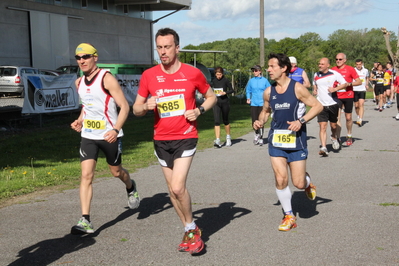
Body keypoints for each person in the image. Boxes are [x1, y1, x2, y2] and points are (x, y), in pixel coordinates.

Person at [133, 28, 216, 254]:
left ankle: (191, 228)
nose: (163, 52)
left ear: (177, 48)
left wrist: (199, 111)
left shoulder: (192, 73)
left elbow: (212, 97)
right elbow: (136, 108)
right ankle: (190, 230)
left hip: (186, 136)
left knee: (178, 187)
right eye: (159, 47)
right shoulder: (149, 75)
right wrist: (145, 107)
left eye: (167, 47)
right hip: (161, 139)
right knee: (172, 190)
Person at [70, 43, 140, 234]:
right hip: (89, 136)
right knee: (86, 175)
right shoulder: (79, 82)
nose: (82, 61)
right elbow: (88, 106)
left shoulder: (106, 79)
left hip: (109, 135)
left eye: (86, 57)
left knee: (116, 172)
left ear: (95, 57)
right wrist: (79, 120)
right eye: (78, 58)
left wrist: (116, 130)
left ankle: (131, 186)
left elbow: (124, 106)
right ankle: (85, 220)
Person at [253, 53, 322, 231]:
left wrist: (301, 121)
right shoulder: (269, 91)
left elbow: (317, 106)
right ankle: (289, 215)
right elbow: (266, 111)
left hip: (296, 140)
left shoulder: (298, 88)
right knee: (281, 178)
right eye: (268, 67)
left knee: (297, 183)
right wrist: (261, 120)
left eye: (272, 66)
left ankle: (308, 182)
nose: (268, 69)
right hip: (276, 140)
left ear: (283, 68)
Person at [313, 58, 349, 156]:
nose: (320, 65)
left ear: (328, 65)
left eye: (322, 64)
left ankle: (334, 137)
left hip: (332, 103)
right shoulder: (316, 75)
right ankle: (324, 147)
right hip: (321, 104)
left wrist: (335, 89)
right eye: (319, 64)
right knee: (322, 126)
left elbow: (345, 83)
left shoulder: (334, 74)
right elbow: (315, 84)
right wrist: (315, 90)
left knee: (333, 126)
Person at [331, 53, 361, 146]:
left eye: (340, 59)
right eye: (336, 59)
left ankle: (349, 135)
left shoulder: (350, 69)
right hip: (337, 96)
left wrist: (349, 84)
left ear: (345, 60)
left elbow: (359, 81)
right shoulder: (332, 70)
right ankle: (338, 137)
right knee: (337, 117)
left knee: (348, 118)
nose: (338, 61)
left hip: (348, 95)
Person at [246, 65, 271, 146]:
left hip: (262, 103)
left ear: (260, 71)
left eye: (256, 70)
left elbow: (269, 90)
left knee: (261, 121)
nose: (254, 72)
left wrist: (269, 100)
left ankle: (261, 137)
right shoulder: (251, 81)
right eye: (253, 71)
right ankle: (256, 134)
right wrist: (248, 98)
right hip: (254, 103)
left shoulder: (265, 80)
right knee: (254, 120)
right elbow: (248, 90)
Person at [211, 67, 234, 148]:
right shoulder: (213, 80)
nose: (219, 76)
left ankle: (228, 137)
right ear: (215, 74)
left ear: (222, 74)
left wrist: (225, 92)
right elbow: (210, 89)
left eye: (220, 74)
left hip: (225, 102)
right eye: (217, 75)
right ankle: (217, 139)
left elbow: (232, 90)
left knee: (225, 120)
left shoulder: (226, 80)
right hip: (216, 103)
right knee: (216, 121)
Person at [353, 59, 369, 126]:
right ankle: (358, 115)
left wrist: (367, 84)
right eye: (357, 64)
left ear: (362, 64)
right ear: (355, 64)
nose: (358, 66)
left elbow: (367, 77)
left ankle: (360, 119)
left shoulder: (365, 70)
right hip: (355, 89)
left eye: (359, 64)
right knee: (356, 105)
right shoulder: (353, 70)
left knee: (361, 104)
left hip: (362, 89)